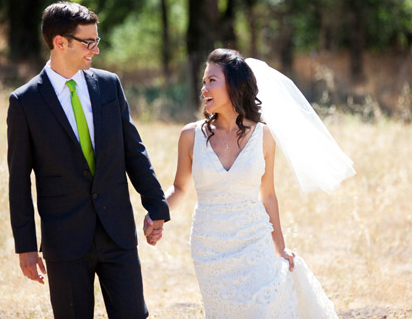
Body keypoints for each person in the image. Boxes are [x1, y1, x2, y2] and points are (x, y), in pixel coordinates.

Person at [145, 48, 355, 318]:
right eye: (203, 81)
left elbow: (268, 194)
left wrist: (280, 247)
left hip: (254, 239)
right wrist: (157, 213)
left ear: (233, 85)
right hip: (209, 245)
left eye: (212, 81)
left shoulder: (264, 135)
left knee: (260, 309)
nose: (204, 88)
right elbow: (180, 188)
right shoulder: (190, 135)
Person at [7, 1, 170, 318]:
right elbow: (18, 181)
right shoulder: (25, 101)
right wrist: (25, 246)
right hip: (64, 239)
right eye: (88, 42)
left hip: (117, 232)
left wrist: (156, 205)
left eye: (97, 41)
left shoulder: (109, 85)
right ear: (60, 42)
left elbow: (133, 149)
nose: (95, 50)